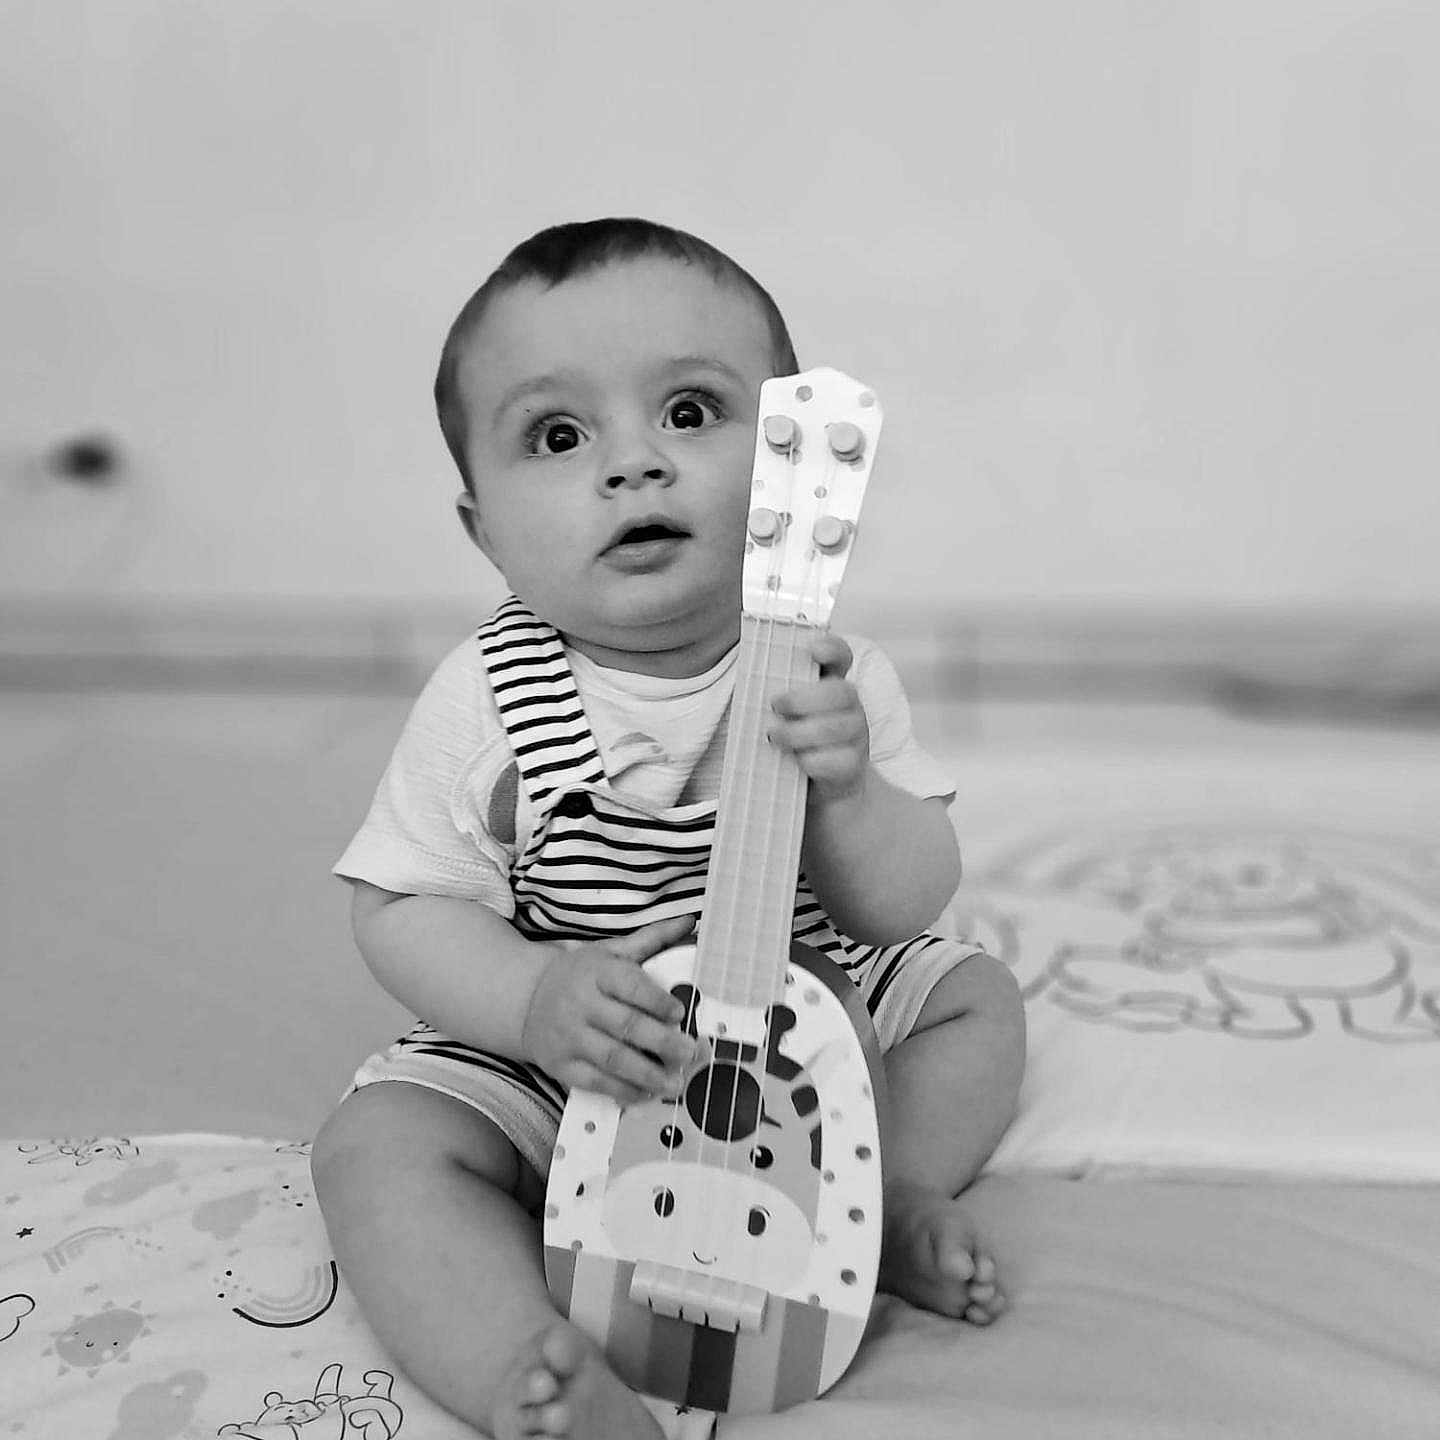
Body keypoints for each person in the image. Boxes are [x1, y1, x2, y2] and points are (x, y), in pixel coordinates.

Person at [312, 217, 1027, 1440]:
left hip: (811, 1056)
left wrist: (850, 791)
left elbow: (905, 904)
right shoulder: (489, 702)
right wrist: (536, 1003)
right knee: (375, 1143)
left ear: (794, 467)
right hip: (579, 1058)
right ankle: (529, 1369)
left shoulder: (827, 674)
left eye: (691, 415)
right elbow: (401, 907)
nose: (633, 466)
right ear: (483, 529)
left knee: (977, 1000)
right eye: (558, 435)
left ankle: (880, 1189)